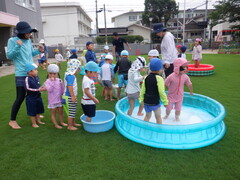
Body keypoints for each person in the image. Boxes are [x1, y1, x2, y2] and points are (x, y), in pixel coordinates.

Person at [7, 21, 44, 129]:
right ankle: (12, 120)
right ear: (21, 32)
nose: (29, 34)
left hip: (32, 72)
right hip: (21, 73)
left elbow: (30, 54)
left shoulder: (28, 41)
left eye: (30, 32)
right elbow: (9, 56)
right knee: (20, 97)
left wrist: (38, 51)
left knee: (34, 95)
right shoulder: (13, 41)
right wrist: (17, 47)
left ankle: (35, 115)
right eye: (27, 33)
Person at [139, 58, 168, 124]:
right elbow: (161, 92)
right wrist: (165, 102)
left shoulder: (146, 77)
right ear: (160, 69)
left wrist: (141, 99)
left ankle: (144, 128)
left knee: (147, 116)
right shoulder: (160, 79)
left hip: (146, 102)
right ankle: (159, 131)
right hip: (155, 102)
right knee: (158, 117)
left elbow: (142, 90)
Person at [43, 64, 67, 129]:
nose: (52, 75)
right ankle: (55, 124)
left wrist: (63, 96)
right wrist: (52, 82)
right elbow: (49, 90)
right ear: (48, 73)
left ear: (57, 73)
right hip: (52, 101)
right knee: (53, 113)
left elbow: (62, 89)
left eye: (54, 74)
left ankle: (62, 122)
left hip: (59, 100)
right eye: (51, 74)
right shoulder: (47, 81)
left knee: (61, 112)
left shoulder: (59, 80)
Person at [24, 63, 45, 128]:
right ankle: (33, 123)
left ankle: (38, 121)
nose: (37, 71)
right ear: (30, 72)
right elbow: (27, 88)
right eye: (35, 70)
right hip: (31, 98)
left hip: (38, 97)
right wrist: (38, 90)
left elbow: (38, 85)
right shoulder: (27, 79)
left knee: (38, 109)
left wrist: (42, 88)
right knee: (32, 111)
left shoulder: (36, 77)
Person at [64, 59, 82, 130]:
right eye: (78, 68)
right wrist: (73, 96)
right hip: (70, 96)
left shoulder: (70, 75)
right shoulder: (70, 76)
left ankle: (73, 123)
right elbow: (69, 86)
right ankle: (70, 126)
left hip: (71, 96)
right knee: (71, 112)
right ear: (74, 68)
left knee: (73, 110)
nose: (78, 70)